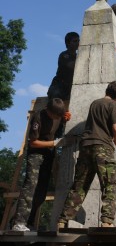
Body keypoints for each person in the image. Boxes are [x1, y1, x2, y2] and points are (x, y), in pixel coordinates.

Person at [57, 81, 116, 229]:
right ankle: (107, 221)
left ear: (107, 90)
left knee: (79, 185)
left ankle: (63, 220)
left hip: (86, 146)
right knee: (109, 184)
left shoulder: (95, 103)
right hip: (103, 147)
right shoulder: (114, 105)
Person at [11, 98, 72, 231]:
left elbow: (60, 124)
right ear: (49, 111)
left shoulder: (59, 115)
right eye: (56, 115)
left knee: (41, 191)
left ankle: (30, 223)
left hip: (48, 155)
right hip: (36, 155)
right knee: (30, 187)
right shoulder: (38, 117)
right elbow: (33, 143)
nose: (57, 117)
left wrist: (65, 120)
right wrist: (54, 143)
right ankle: (18, 223)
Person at [47, 32, 80, 110]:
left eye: (78, 41)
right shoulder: (64, 55)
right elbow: (69, 66)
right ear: (68, 43)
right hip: (60, 85)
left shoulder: (79, 56)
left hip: (71, 86)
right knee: (55, 98)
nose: (78, 43)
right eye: (75, 41)